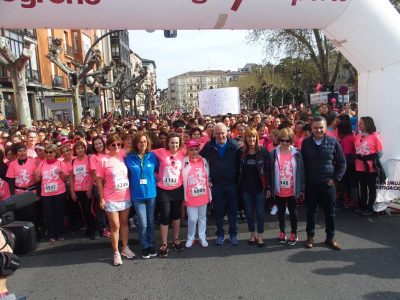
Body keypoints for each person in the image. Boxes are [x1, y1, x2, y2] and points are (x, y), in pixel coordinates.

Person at [301, 116, 346, 250]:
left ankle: (330, 238)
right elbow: (302, 164)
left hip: (328, 184)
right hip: (311, 184)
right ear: (312, 128)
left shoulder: (333, 141)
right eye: (316, 127)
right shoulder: (305, 143)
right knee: (311, 212)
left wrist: (335, 179)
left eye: (321, 127)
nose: (318, 130)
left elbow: (342, 163)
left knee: (330, 212)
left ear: (326, 128)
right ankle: (310, 237)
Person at [96, 134, 135, 266]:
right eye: (113, 145)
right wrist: (101, 198)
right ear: (108, 146)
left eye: (119, 144)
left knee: (124, 224)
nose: (117, 147)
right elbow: (99, 181)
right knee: (115, 226)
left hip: (125, 196)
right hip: (110, 198)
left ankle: (125, 248)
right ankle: (116, 252)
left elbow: (137, 147)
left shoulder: (123, 156)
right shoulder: (103, 160)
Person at [200, 123, 240, 246]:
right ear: (213, 134)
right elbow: (200, 161)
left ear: (227, 132)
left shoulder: (234, 145)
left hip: (232, 184)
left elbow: (239, 164)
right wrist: (207, 178)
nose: (220, 135)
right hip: (216, 185)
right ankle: (220, 234)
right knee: (218, 211)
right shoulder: (209, 146)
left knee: (233, 211)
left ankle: (233, 235)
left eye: (223, 133)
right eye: (218, 133)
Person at [124, 133, 159, 259]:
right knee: (143, 222)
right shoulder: (128, 158)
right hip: (137, 195)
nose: (142, 144)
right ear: (136, 144)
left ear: (148, 142)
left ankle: (151, 244)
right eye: (140, 142)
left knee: (150, 222)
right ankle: (144, 246)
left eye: (144, 141)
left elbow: (159, 170)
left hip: (151, 194)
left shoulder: (152, 156)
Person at [152, 132, 185, 258]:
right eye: (172, 142)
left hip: (177, 189)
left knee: (176, 216)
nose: (174, 145)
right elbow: (146, 153)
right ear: (167, 143)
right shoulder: (160, 152)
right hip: (163, 190)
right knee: (165, 216)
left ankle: (176, 239)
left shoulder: (183, 153)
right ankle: (164, 244)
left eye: (176, 142)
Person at [270, 128, 305, 246]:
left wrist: (302, 189)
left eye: (287, 140)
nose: (284, 143)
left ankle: (294, 233)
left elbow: (302, 171)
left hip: (292, 188)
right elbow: (270, 171)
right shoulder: (274, 153)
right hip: (279, 188)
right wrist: (270, 188)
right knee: (280, 212)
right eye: (282, 140)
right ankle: (282, 232)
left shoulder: (297, 153)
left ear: (291, 140)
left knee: (293, 212)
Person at [239, 128, 271, 247]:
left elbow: (268, 171)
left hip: (260, 188)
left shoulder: (263, 151)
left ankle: (260, 236)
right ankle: (252, 235)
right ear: (245, 138)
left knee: (260, 213)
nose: (251, 139)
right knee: (248, 213)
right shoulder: (241, 152)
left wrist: (268, 187)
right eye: (248, 137)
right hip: (246, 187)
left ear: (256, 138)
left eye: (253, 136)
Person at [34, 144, 69, 242]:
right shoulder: (42, 164)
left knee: (59, 213)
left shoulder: (60, 163)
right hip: (46, 194)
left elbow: (65, 179)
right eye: (47, 152)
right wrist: (36, 174)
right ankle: (52, 234)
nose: (49, 154)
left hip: (59, 192)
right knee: (49, 214)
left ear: (55, 153)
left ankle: (60, 233)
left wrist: (61, 173)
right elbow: (37, 179)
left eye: (51, 152)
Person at [182, 140, 211, 248]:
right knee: (192, 218)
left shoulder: (203, 160)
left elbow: (208, 174)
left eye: (196, 149)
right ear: (187, 150)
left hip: (203, 193)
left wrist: (209, 182)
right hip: (190, 195)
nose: (194, 152)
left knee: (202, 217)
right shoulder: (184, 161)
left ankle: (202, 236)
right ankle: (191, 237)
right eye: (191, 149)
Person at [354, 116, 384, 216]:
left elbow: (379, 153)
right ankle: (362, 205)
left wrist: (368, 157)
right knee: (361, 187)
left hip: (370, 167)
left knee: (371, 188)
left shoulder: (375, 136)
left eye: (361, 123)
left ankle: (370, 207)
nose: (359, 125)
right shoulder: (359, 135)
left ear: (367, 124)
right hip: (359, 165)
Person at [69, 141, 96, 239]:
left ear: (85, 148)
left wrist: (90, 188)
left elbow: (93, 174)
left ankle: (94, 229)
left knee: (90, 210)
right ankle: (89, 228)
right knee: (83, 211)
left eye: (81, 148)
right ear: (75, 150)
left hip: (88, 189)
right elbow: (71, 177)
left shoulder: (89, 159)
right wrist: (72, 192)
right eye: (78, 148)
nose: (80, 150)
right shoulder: (73, 161)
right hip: (78, 190)